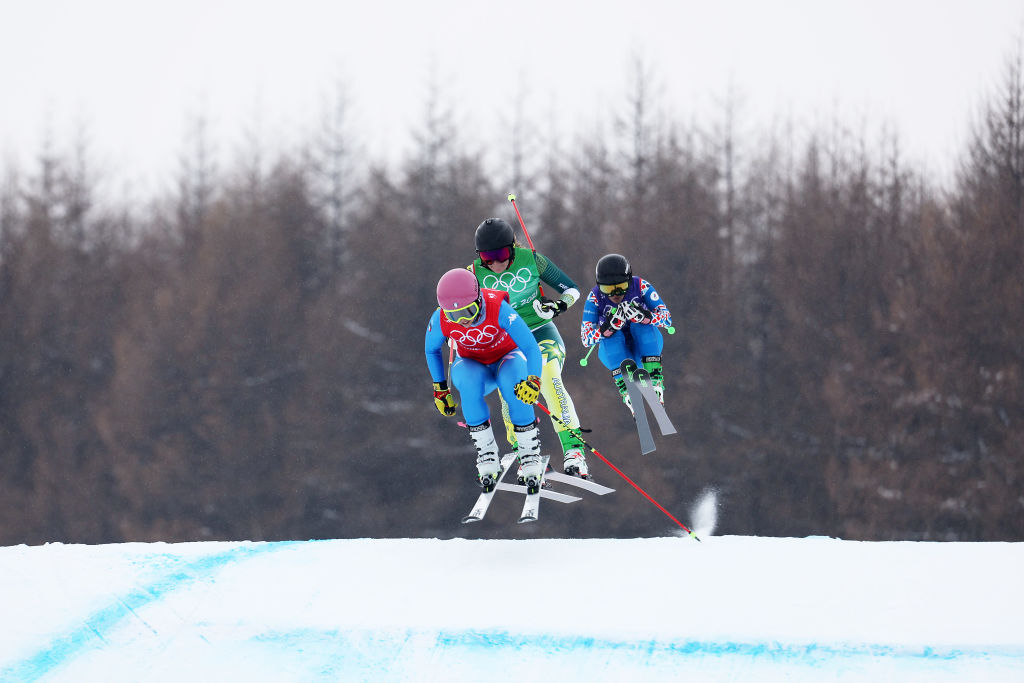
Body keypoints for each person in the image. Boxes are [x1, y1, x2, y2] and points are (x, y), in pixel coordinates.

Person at [469, 217, 590, 478]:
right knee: (509, 388)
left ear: (513, 248)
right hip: (506, 343)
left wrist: (557, 306)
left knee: (546, 375)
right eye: (488, 258)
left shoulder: (532, 260)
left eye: (501, 255)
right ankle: (524, 451)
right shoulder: (472, 274)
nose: (496, 264)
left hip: (540, 333)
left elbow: (572, 289)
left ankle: (574, 450)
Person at [425, 267, 546, 492]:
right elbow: (431, 349)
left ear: (479, 299)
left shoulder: (498, 308)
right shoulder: (440, 319)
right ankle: (487, 454)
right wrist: (440, 389)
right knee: (468, 386)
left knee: (514, 386)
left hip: (506, 358)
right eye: (454, 315)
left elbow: (530, 346)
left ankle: (529, 454)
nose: (462, 320)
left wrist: (533, 380)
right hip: (473, 365)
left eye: (468, 311)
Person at [580, 253, 673, 416]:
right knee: (612, 337)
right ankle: (628, 391)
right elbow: (586, 338)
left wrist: (646, 317)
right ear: (599, 285)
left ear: (629, 280)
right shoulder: (595, 297)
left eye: (621, 287)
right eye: (607, 289)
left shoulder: (641, 285)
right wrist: (606, 329)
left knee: (641, 326)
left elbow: (667, 319)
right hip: (615, 353)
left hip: (646, 347)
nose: (615, 294)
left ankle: (655, 379)